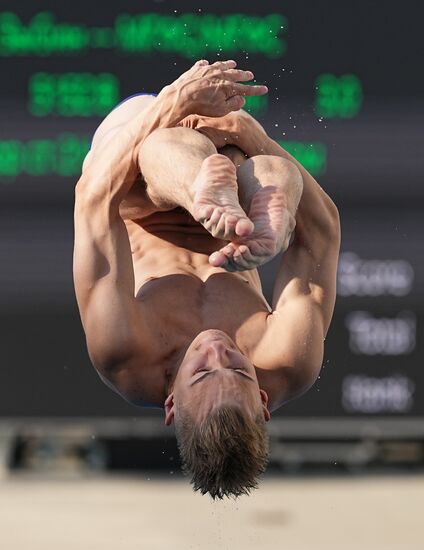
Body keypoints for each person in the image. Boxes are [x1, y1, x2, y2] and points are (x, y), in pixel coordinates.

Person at [73, 59, 340, 499]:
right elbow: (323, 233)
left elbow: (92, 198)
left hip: (141, 192)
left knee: (164, 146)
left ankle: (204, 194)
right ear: (264, 400)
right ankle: (251, 215)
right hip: (236, 181)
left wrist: (173, 100)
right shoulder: (288, 359)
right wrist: (250, 135)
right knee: (275, 176)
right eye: (239, 368)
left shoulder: (122, 351)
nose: (217, 348)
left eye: (200, 372)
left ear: (172, 404)